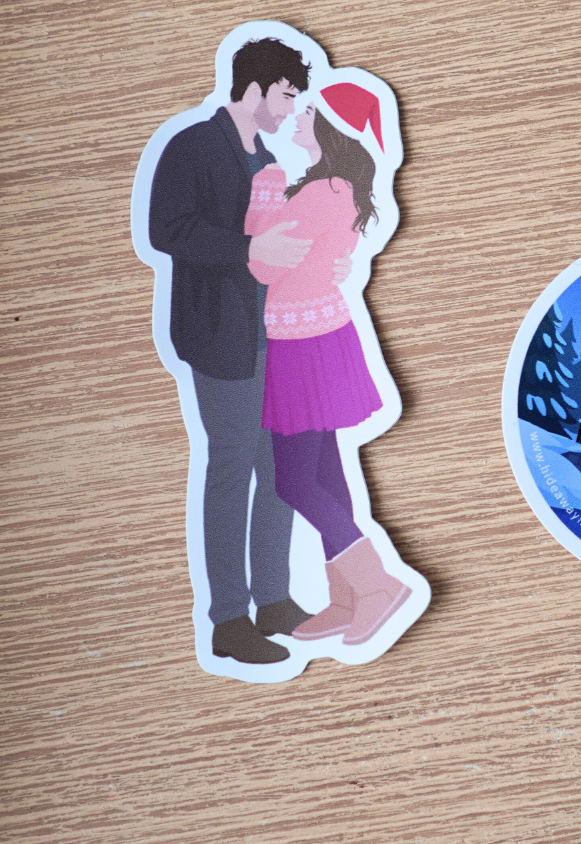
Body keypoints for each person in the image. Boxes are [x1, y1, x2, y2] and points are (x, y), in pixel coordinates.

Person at [148, 38, 320, 665]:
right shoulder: (192, 146)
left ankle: (272, 599)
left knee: (280, 467)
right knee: (230, 465)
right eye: (286, 95)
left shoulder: (265, 158)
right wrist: (249, 251)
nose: (289, 108)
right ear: (256, 88)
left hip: (272, 331)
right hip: (219, 334)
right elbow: (165, 230)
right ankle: (227, 619)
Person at [244, 92, 411, 647]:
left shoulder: (319, 192)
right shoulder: (339, 189)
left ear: (335, 129)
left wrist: (265, 190)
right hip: (320, 336)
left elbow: (263, 265)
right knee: (327, 475)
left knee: (294, 480)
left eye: (310, 113)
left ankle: (377, 585)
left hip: (300, 345)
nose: (299, 117)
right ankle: (346, 596)